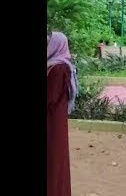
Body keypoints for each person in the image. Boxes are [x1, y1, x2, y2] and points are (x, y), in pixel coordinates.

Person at [48, 32, 78, 196]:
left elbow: (51, 97)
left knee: (54, 156)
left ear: (57, 45)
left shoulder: (58, 68)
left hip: (52, 119)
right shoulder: (54, 64)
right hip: (54, 116)